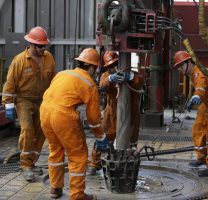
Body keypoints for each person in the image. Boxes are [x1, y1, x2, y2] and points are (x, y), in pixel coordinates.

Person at [40, 48, 106, 200]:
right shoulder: (89, 84)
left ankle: (55, 188)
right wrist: (100, 137)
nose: (95, 72)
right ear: (92, 67)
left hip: (44, 112)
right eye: (95, 69)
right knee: (78, 154)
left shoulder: (62, 73)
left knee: (55, 149)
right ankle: (77, 195)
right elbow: (94, 119)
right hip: (63, 116)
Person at [1, 26, 56, 181]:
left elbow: (54, 79)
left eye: (44, 45)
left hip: (43, 100)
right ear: (31, 44)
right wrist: (8, 105)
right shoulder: (19, 61)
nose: (42, 48)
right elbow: (9, 84)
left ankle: (32, 163)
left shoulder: (49, 58)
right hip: (24, 100)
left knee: (42, 131)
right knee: (27, 130)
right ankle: (25, 165)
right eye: (39, 46)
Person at [173, 51, 208, 176]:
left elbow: (201, 85)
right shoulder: (193, 73)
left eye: (181, 66)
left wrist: (197, 95)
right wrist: (193, 98)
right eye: (178, 67)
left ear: (188, 62)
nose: (180, 69)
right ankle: (202, 157)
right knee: (198, 128)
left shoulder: (198, 72)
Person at [87, 51, 144, 175]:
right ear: (107, 67)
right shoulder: (106, 75)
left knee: (131, 141)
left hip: (131, 114)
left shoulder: (132, 74)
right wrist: (110, 79)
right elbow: (102, 84)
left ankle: (127, 164)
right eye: (111, 66)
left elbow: (140, 82)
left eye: (116, 64)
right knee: (104, 138)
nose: (114, 68)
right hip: (111, 114)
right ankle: (94, 163)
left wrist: (131, 77)